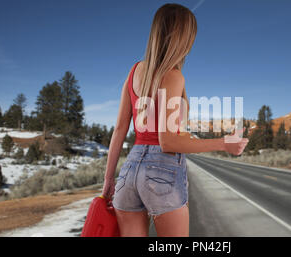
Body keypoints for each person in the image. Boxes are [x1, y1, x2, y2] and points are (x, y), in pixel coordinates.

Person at [102, 3, 248, 237]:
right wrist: (223, 143)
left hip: (129, 171)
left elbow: (119, 129)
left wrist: (109, 178)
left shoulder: (134, 72)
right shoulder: (172, 75)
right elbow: (167, 142)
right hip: (162, 171)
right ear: (181, 38)